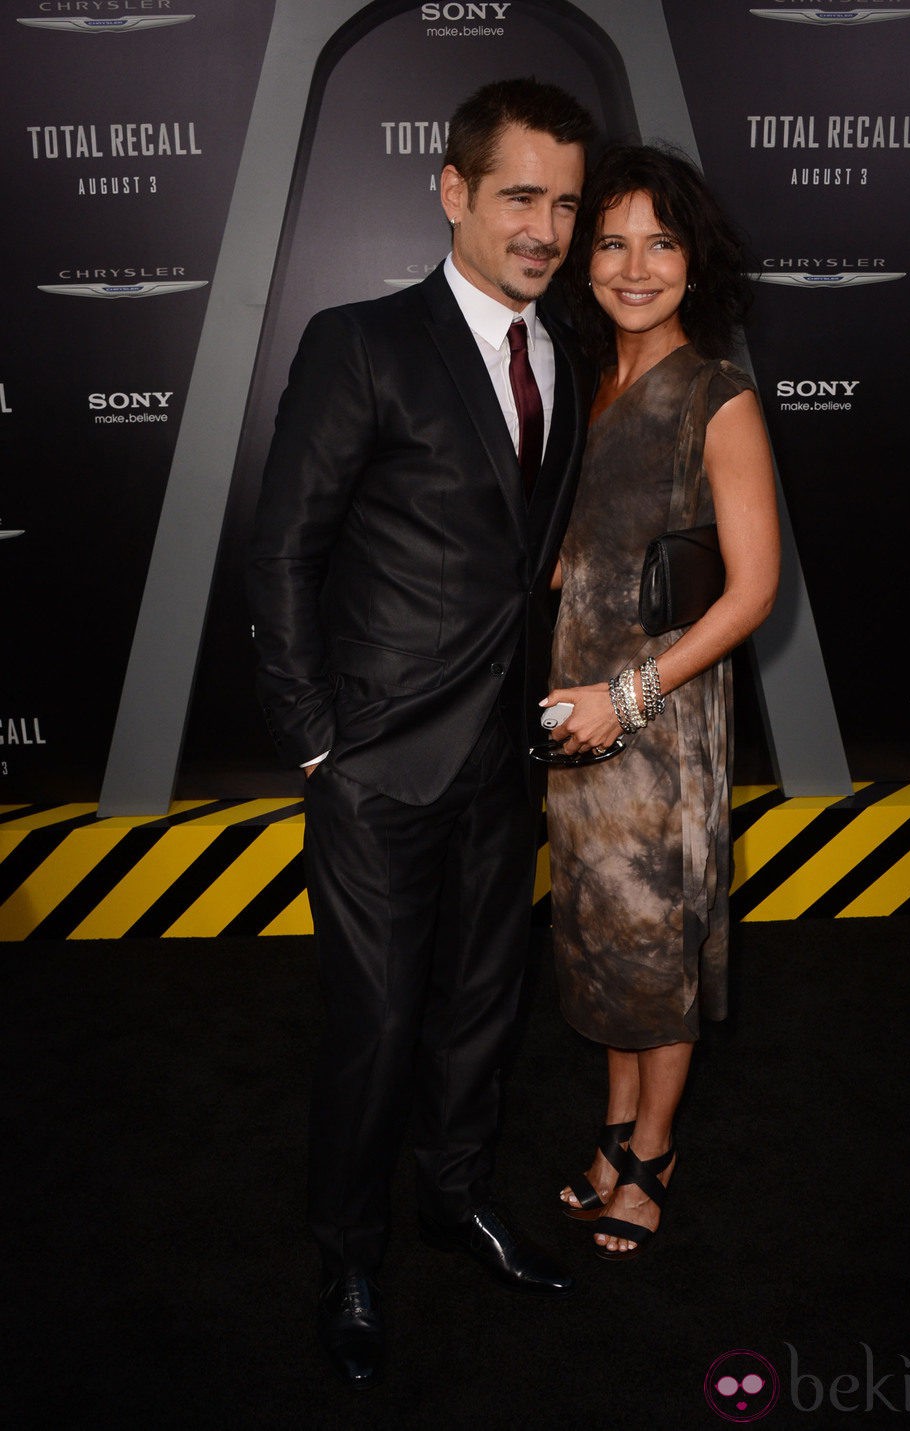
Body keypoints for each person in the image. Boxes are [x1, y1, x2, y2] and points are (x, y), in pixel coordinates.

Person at [248, 78, 594, 1385]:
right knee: (377, 1026)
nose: (545, 227)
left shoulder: (565, 352)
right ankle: (347, 1252)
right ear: (451, 191)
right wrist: (319, 739)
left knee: (476, 1011)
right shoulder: (365, 342)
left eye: (565, 201)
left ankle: (454, 1199)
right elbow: (284, 548)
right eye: (520, 195)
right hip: (379, 764)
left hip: (506, 759)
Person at [541, 144, 780, 1259]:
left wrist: (624, 697)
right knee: (600, 949)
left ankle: (653, 1150)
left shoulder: (713, 396)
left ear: (697, 259)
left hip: (654, 726)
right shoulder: (582, 381)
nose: (635, 267)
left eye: (661, 242)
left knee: (657, 951)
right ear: (583, 257)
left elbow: (750, 592)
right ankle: (613, 1123)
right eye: (611, 242)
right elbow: (577, 559)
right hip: (567, 722)